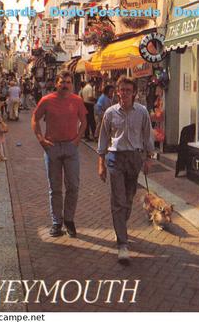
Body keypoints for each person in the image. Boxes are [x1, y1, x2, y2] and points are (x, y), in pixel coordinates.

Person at [97, 76, 154, 262]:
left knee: (128, 199)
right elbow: (104, 138)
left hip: (134, 158)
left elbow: (147, 135)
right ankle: (122, 243)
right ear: (117, 92)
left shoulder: (142, 112)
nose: (124, 94)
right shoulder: (110, 113)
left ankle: (120, 226)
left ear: (134, 93)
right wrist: (101, 163)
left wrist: (148, 159)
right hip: (115, 158)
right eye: (121, 90)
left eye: (128, 90)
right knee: (118, 201)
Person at [31, 71, 87, 238]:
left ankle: (69, 220)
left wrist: (77, 139)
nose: (65, 85)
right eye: (62, 82)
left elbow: (84, 121)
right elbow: (35, 118)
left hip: (71, 148)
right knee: (55, 188)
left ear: (72, 84)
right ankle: (57, 222)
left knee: (73, 186)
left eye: (68, 82)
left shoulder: (77, 100)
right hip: (52, 148)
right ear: (56, 83)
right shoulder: (47, 100)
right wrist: (41, 139)